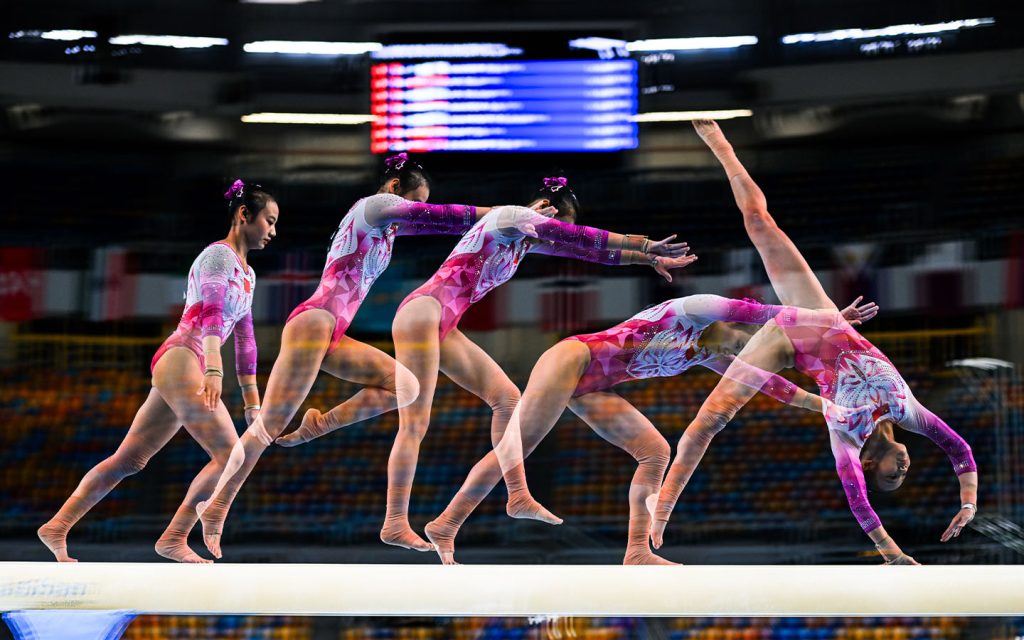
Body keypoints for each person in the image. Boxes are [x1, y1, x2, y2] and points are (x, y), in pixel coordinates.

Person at [651, 121, 978, 564]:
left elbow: (859, 505)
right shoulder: (910, 412)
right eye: (903, 474)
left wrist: (891, 554)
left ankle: (662, 511)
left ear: (867, 467)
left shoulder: (847, 437)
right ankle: (721, 146)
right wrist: (968, 502)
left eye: (891, 479)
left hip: (784, 343)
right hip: (817, 316)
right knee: (759, 223)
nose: (902, 471)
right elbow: (959, 449)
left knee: (712, 419)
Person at [425, 294, 877, 564]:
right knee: (516, 447)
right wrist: (828, 317)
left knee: (654, 452)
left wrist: (828, 408)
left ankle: (637, 550)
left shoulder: (712, 353)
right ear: (735, 328)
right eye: (745, 342)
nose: (746, 350)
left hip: (594, 387)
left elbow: (772, 384)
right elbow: (760, 310)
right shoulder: (697, 310)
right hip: (573, 359)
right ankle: (447, 524)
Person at [195, 154, 493, 559]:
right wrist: (504, 215)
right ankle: (216, 508)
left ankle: (320, 425)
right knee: (266, 429)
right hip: (315, 322)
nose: (416, 212)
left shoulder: (385, 228)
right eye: (414, 202)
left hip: (333, 331)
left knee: (405, 385)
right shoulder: (371, 208)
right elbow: (444, 217)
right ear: (393, 190)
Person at [38, 180, 279, 563]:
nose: (273, 231)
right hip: (186, 354)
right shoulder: (217, 258)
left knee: (130, 459)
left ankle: (57, 526)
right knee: (230, 454)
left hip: (187, 362)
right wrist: (213, 370)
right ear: (243, 215)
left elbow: (246, 340)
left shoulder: (247, 275)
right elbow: (213, 315)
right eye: (269, 220)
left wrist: (253, 403)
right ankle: (175, 536)